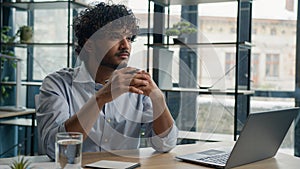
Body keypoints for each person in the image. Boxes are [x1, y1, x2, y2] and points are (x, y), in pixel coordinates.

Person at [36, 2, 178, 159]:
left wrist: (158, 98)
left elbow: (165, 144)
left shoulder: (138, 84)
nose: (126, 46)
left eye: (129, 38)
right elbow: (53, 149)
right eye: (115, 37)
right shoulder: (57, 84)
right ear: (89, 45)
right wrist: (101, 97)